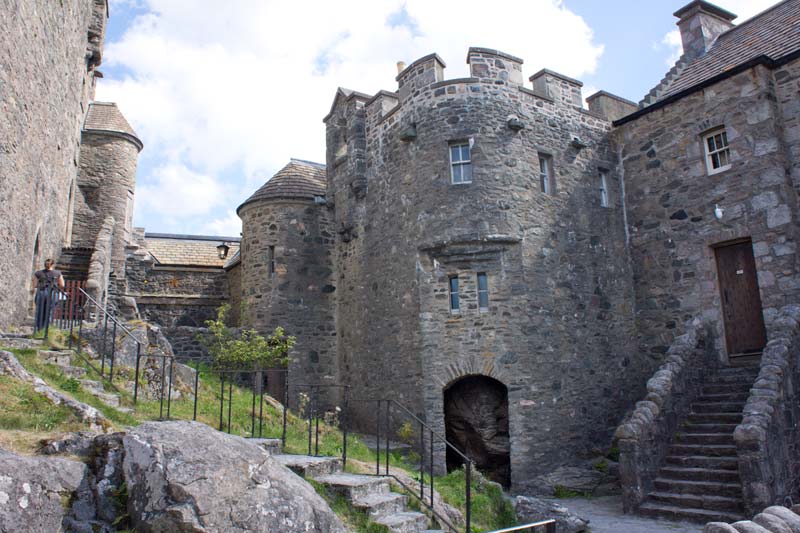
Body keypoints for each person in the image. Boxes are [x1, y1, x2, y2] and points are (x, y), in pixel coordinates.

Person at [32, 259, 65, 332]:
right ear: (53, 265)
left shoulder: (38, 273)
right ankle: (46, 330)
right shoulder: (58, 273)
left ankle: (39, 330)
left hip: (41, 292)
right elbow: (62, 285)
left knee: (40, 311)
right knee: (50, 311)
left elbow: (34, 285)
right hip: (52, 292)